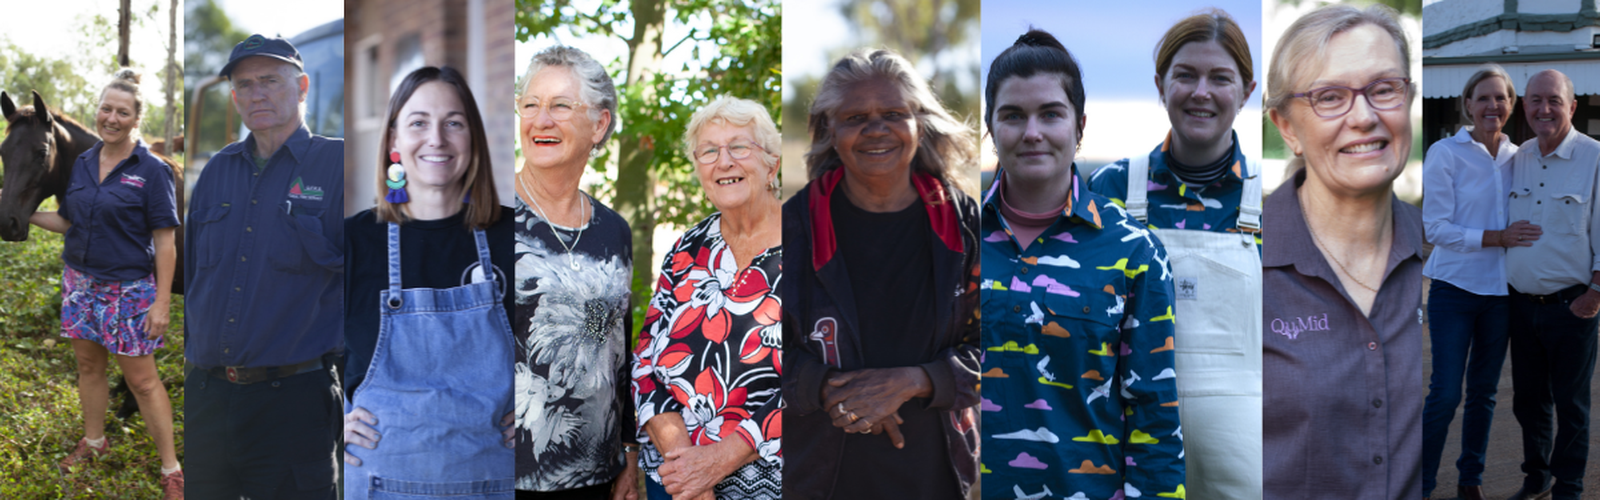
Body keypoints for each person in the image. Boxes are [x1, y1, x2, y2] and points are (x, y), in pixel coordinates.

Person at [982, 29, 1184, 500]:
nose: (1032, 133)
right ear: (991, 129)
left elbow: (1155, 417)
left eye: (1050, 114)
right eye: (1013, 116)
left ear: (1080, 126)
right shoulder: (953, 239)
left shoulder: (1135, 250)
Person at [780, 48, 980, 500]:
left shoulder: (965, 225)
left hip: (938, 477)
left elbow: (1004, 346)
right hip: (818, 479)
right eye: (855, 118)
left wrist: (915, 381)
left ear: (919, 122)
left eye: (893, 113)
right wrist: (829, 387)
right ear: (830, 130)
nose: (876, 129)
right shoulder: (792, 227)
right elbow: (755, 350)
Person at [1087, 10, 1259, 498]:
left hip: (1249, 463)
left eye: (1220, 78)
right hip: (1129, 457)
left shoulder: (1273, 200)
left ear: (1246, 91)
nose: (1201, 92)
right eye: (1185, 75)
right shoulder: (1112, 191)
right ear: (1161, 85)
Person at [1261, 5, 1422, 498]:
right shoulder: (1244, 260)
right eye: (1330, 97)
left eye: (1384, 89)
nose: (1365, 116)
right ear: (1287, 128)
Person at [341, 66, 516, 499]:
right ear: (393, 142)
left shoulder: (519, 236)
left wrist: (542, 406)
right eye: (418, 122)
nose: (436, 139)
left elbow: (563, 354)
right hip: (381, 482)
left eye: (453, 123)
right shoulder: (351, 241)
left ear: (473, 139)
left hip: (497, 480)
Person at [183, 34, 345, 498]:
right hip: (208, 401)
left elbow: (371, 286)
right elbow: (195, 277)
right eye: (245, 85)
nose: (257, 93)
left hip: (293, 405)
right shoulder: (217, 171)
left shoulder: (340, 166)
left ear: (302, 87)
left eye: (271, 81)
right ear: (234, 97)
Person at [27, 69, 183, 499]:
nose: (111, 117)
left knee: (144, 382)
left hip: (129, 291)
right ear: (97, 112)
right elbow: (68, 221)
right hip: (80, 283)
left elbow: (164, 242)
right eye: (106, 109)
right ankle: (94, 442)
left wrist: (162, 303)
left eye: (123, 112)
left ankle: (172, 468)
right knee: (89, 366)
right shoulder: (81, 162)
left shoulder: (152, 171)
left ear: (136, 119)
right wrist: (23, 217)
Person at [632, 96, 782, 500]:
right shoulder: (687, 248)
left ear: (772, 165)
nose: (724, 161)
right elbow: (646, 362)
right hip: (678, 481)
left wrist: (720, 460)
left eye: (739, 147)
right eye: (710, 151)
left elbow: (819, 374)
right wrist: (687, 466)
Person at [513, 45, 640, 500]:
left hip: (595, 475)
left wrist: (628, 449)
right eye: (530, 104)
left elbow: (618, 348)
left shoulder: (613, 231)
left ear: (600, 124)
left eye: (560, 105)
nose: (540, 120)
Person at [1420, 64, 1529, 500]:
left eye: (1500, 97)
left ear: (1510, 105)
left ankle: (1471, 481)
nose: (1492, 105)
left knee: (1484, 394)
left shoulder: (1520, 156)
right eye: (1482, 97)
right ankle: (1422, 483)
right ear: (1467, 104)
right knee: (1445, 394)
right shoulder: (1446, 153)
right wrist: (1496, 238)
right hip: (1453, 289)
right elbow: (1436, 228)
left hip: (1501, 293)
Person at [1502, 68, 1600, 500]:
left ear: (1572, 106)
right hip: (1521, 305)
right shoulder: (1518, 157)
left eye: (1555, 100)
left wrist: (1595, 292)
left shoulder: (1595, 157)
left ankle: (1569, 487)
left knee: (1571, 407)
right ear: (1524, 106)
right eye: (1536, 100)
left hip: (1571, 305)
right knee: (1529, 403)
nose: (1544, 109)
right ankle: (1536, 476)